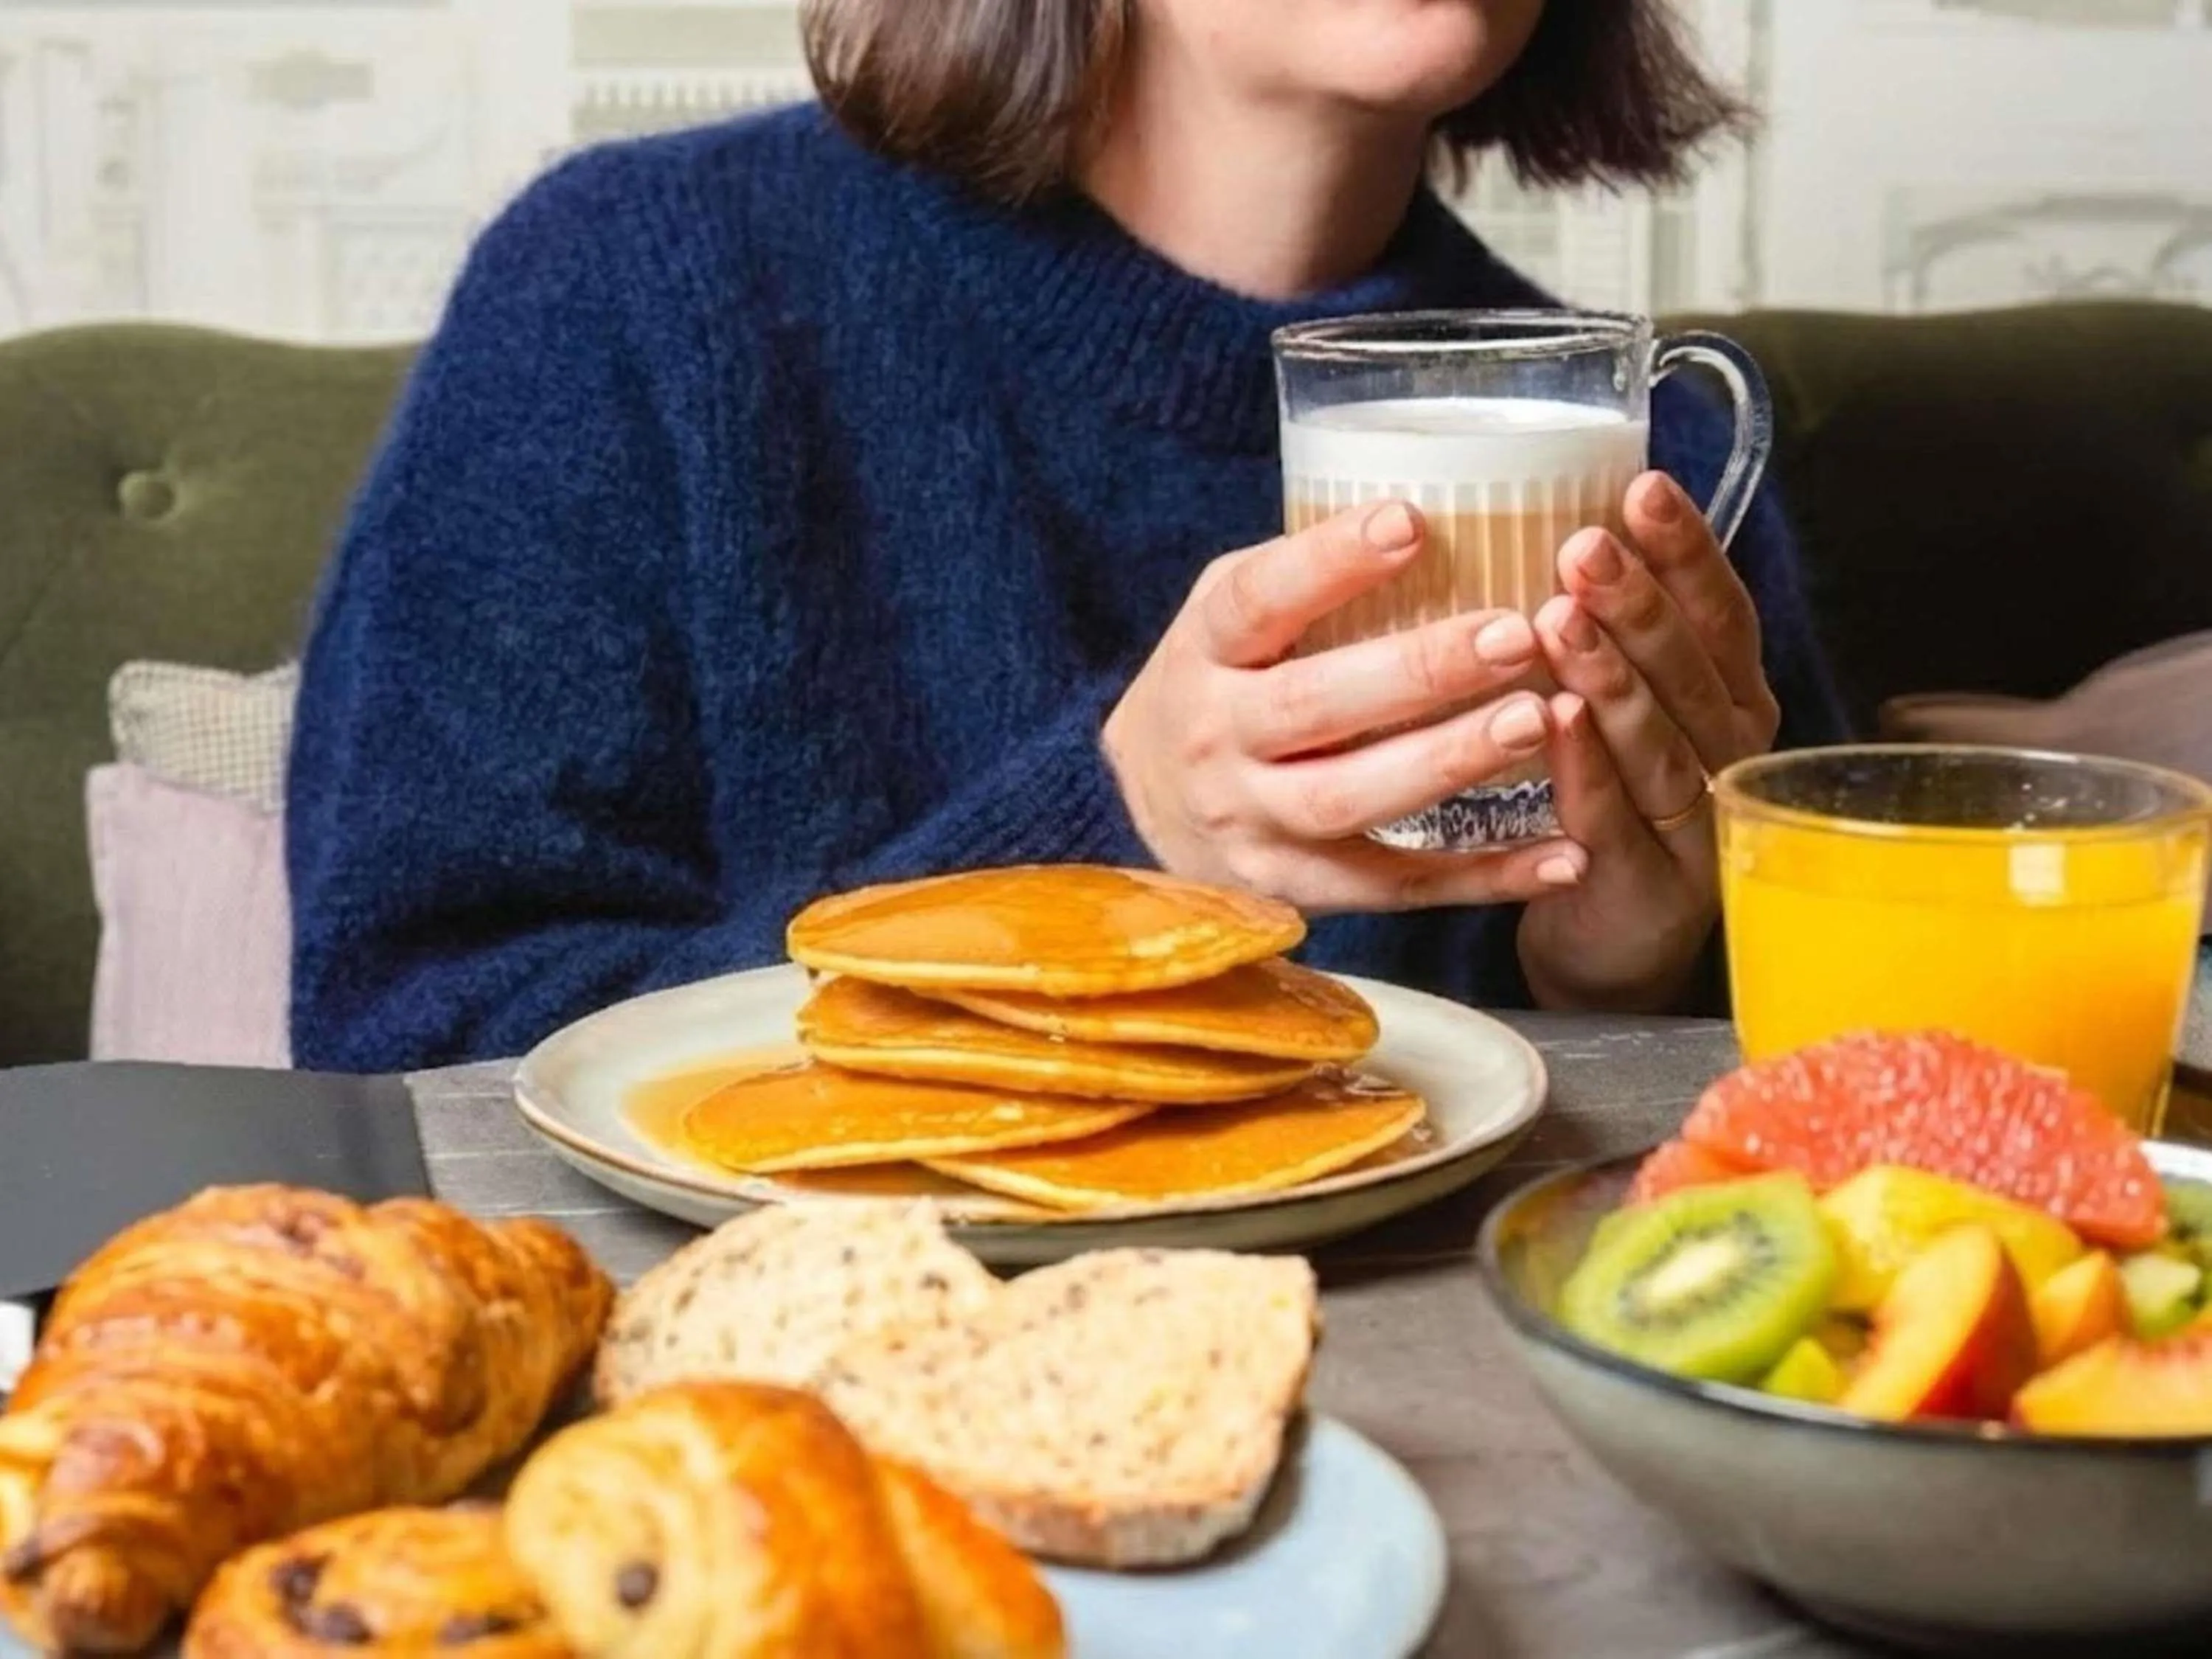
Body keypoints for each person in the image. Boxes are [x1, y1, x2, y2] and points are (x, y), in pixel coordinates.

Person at [287, 0, 1847, 1071]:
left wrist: (1628, 974)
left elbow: (1838, 1136)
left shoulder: (1666, 456)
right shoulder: (633, 293)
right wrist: (1111, 839)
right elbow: (413, 1044)